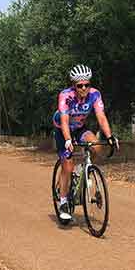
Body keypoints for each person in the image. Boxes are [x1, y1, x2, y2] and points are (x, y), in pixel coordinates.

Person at [53, 64, 119, 221]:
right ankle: (63, 201)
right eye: (80, 85)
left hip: (80, 128)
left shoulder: (95, 94)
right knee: (67, 165)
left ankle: (85, 168)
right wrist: (68, 139)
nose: (84, 88)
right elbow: (64, 120)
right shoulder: (65, 96)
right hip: (63, 130)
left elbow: (101, 116)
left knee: (96, 146)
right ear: (74, 86)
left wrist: (109, 137)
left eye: (87, 85)